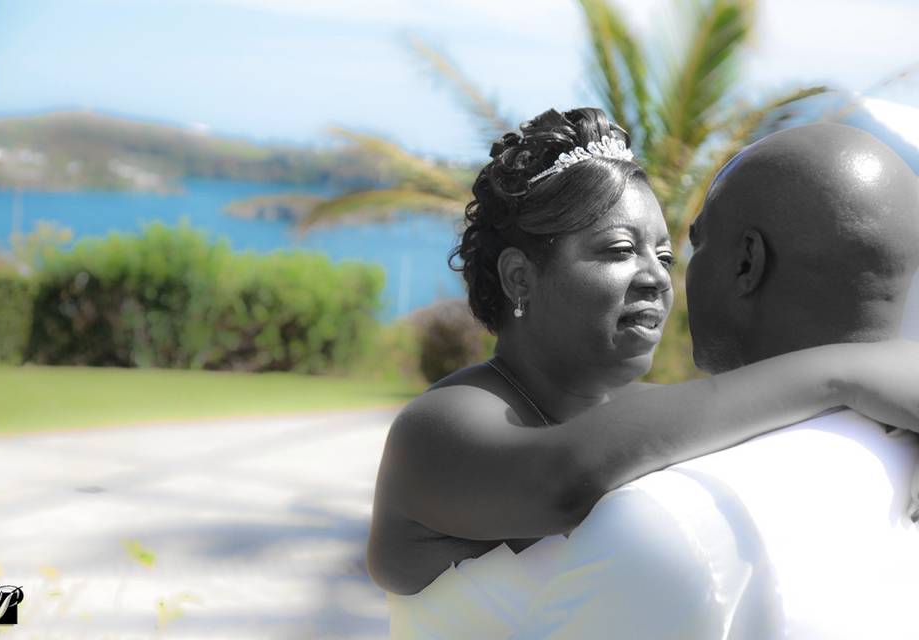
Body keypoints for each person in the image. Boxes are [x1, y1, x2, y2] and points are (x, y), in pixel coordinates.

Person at [366, 108, 919, 637]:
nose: (655, 277)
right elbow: (565, 480)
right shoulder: (438, 427)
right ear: (519, 278)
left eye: (666, 255)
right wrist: (843, 372)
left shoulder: (665, 417)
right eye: (620, 250)